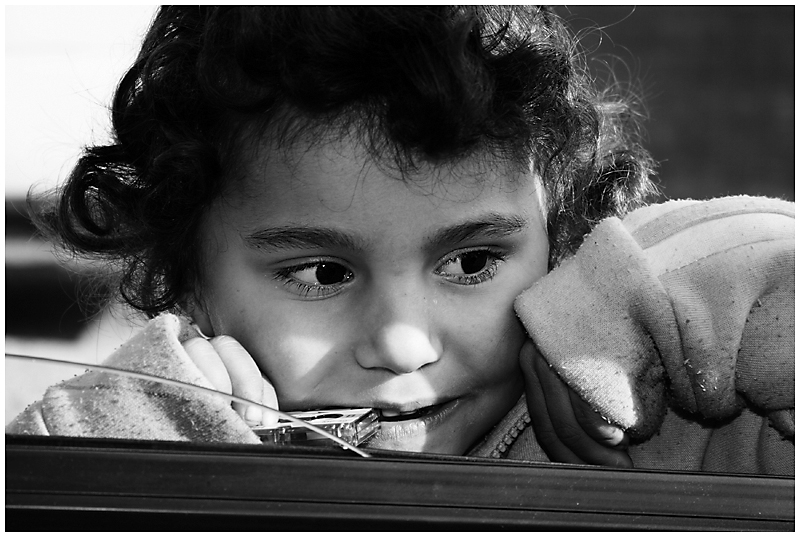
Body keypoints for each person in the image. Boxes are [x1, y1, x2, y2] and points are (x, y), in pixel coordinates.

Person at [8, 6, 793, 475]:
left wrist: (734, 279)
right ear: (189, 282)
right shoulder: (170, 444)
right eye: (322, 273)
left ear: (560, 243)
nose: (403, 344)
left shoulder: (677, 428)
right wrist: (137, 441)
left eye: (472, 261)